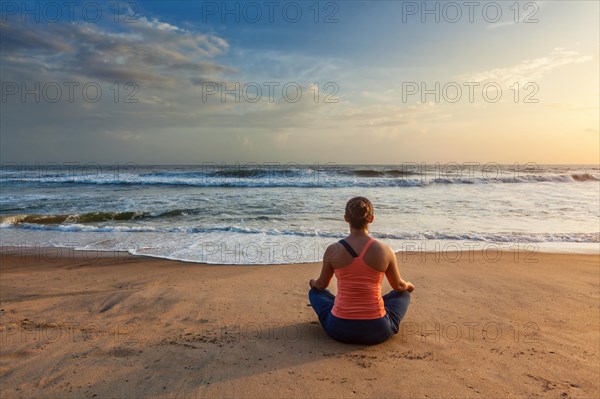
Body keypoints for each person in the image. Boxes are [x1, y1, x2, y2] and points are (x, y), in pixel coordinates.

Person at [308, 196, 414, 345]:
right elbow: (399, 286)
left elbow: (321, 285)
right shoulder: (385, 250)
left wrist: (312, 282)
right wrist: (409, 286)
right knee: (402, 295)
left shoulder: (333, 250)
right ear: (371, 219)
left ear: (346, 218)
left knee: (315, 293)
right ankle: (372, 311)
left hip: (339, 328)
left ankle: (342, 309)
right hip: (377, 329)